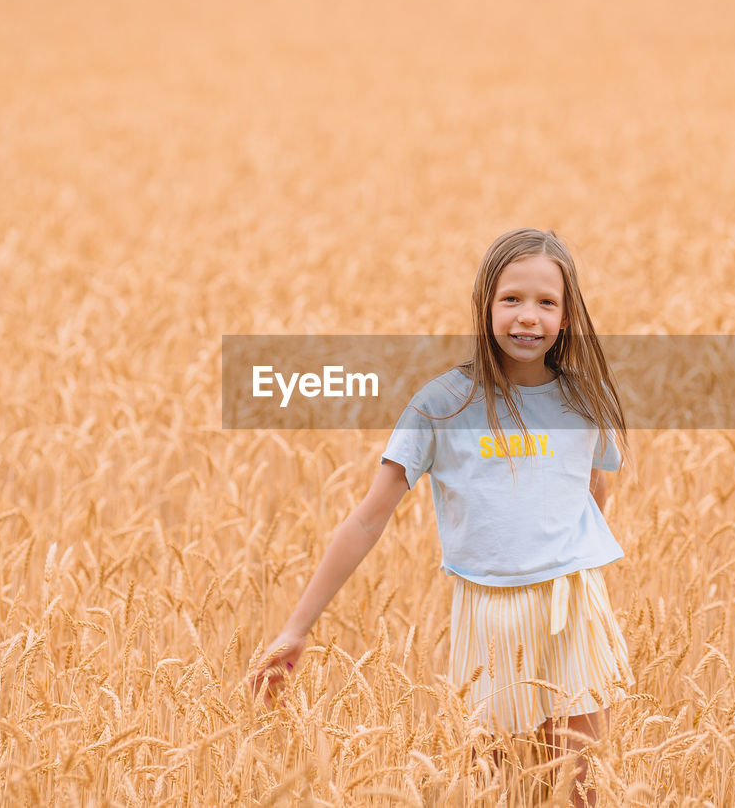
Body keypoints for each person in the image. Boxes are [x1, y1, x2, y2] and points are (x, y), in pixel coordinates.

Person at [252, 228, 634, 806]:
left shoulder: (587, 399)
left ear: (567, 315)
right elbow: (367, 519)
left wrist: (573, 551)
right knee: (499, 788)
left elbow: (593, 479)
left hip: (573, 604)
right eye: (511, 299)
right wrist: (296, 628)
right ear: (485, 305)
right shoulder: (443, 403)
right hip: (487, 614)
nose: (527, 316)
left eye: (546, 302)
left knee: (580, 788)